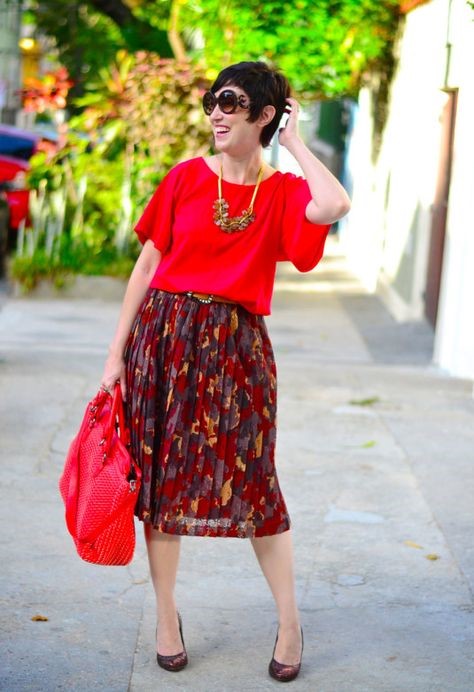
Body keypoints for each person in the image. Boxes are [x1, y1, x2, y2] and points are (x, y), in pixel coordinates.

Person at [100, 60, 350, 682]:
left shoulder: (282, 191)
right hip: (164, 340)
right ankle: (165, 617)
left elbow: (334, 203)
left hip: (238, 348)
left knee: (256, 483)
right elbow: (146, 266)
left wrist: (294, 141)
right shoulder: (185, 178)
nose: (216, 112)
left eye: (231, 102)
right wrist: (116, 354)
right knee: (161, 486)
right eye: (213, 100)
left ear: (263, 115)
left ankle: (289, 622)